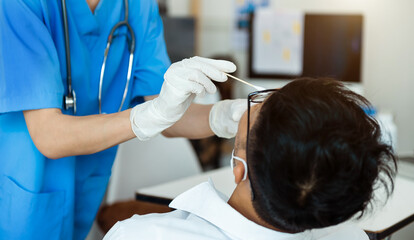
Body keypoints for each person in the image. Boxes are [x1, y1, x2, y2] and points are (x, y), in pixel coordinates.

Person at [0, 1, 245, 239]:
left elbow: (170, 114)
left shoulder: (138, 6)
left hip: (82, 193)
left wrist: (223, 116)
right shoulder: (22, 4)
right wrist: (147, 116)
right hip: (18, 196)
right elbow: (49, 135)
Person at [104, 78, 397, 240]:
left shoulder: (140, 235)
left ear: (238, 167)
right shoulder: (351, 238)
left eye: (263, 108)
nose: (261, 102)